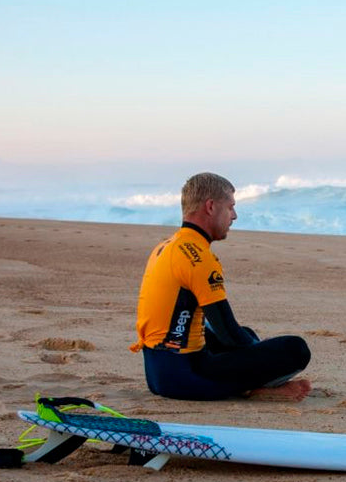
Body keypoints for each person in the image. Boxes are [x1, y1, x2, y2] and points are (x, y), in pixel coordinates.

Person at [130, 172, 311, 401]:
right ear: (211, 207)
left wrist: (254, 346)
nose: (234, 216)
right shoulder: (199, 258)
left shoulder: (168, 246)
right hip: (186, 378)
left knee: (247, 334)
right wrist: (262, 354)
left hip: (158, 373)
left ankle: (249, 380)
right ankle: (256, 389)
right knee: (295, 349)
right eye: (230, 207)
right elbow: (228, 335)